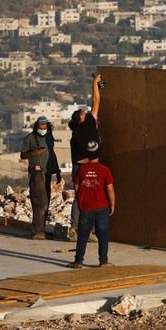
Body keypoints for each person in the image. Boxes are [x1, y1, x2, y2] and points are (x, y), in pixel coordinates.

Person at [68, 140, 115, 268]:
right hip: (101, 207)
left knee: (82, 235)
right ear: (99, 154)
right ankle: (103, 261)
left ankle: (78, 261)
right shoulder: (105, 170)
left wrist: (81, 202)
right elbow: (110, 189)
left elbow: (77, 188)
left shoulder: (81, 170)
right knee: (103, 235)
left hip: (86, 208)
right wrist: (112, 205)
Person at [66, 73, 102, 240]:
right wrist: (94, 82)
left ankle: (81, 229)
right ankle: (81, 230)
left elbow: (95, 101)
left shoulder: (81, 130)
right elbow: (95, 101)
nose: (85, 113)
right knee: (86, 197)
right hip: (85, 166)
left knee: (85, 197)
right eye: (82, 113)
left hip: (84, 166)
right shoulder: (83, 129)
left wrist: (95, 84)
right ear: (80, 119)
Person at [20, 116, 60, 239]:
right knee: (39, 202)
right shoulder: (30, 138)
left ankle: (41, 230)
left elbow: (51, 154)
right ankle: (37, 231)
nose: (43, 128)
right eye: (40, 126)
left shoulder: (48, 137)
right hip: (37, 173)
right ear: (36, 126)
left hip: (47, 173)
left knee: (46, 202)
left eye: (45, 126)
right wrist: (33, 153)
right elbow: (22, 155)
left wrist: (57, 170)